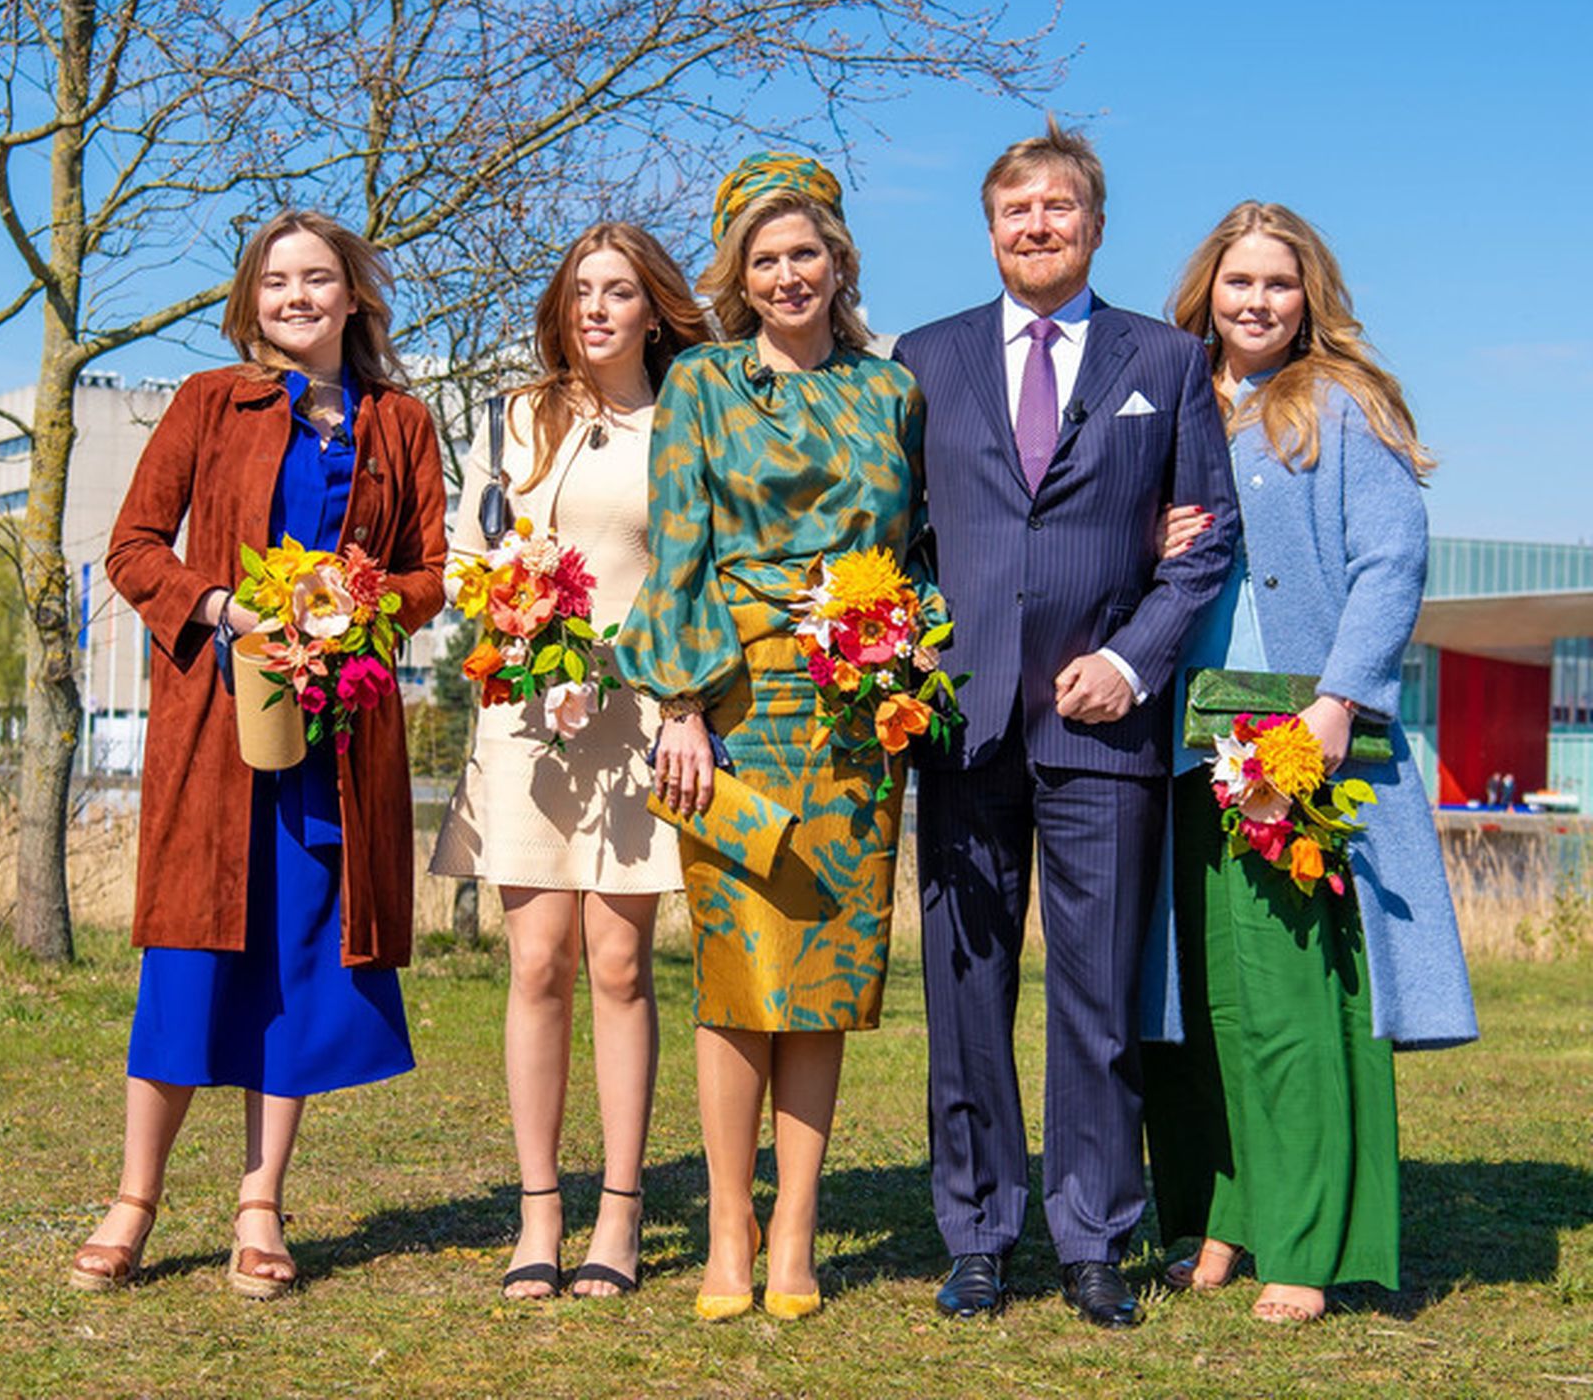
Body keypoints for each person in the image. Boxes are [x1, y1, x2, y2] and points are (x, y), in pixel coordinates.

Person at [892, 120, 1238, 1327]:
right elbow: (894, 541)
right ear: (989, 229)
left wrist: (1133, 661)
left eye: (1058, 208)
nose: (1036, 226)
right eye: (1014, 211)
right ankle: (978, 1229)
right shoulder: (920, 359)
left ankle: (1093, 1234)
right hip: (962, 724)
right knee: (965, 993)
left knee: (1096, 999)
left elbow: (1206, 542)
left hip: (1104, 729)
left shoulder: (1167, 360)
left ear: (1094, 225)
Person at [77, 211, 447, 1297]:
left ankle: (258, 1205)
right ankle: (133, 1199)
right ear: (253, 299)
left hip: (337, 737)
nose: (297, 296)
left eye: (317, 278)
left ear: (352, 295)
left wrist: (364, 604)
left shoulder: (401, 422)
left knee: (293, 961)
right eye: (277, 280)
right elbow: (133, 547)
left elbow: (429, 570)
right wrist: (230, 607)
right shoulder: (206, 403)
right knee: (187, 958)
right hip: (215, 730)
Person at [1140, 201, 1478, 1323]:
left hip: (1294, 740)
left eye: (1278, 283)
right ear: (1206, 291)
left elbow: (1392, 561)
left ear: (1308, 296)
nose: (1256, 301)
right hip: (1186, 742)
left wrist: (1341, 701)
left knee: (1292, 999)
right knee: (1207, 1007)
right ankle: (1230, 1207)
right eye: (1237, 281)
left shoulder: (1338, 405)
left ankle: (1309, 1235)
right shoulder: (1174, 401)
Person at [616, 152, 932, 1322]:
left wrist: (903, 654)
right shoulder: (698, 382)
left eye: (807, 252)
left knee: (826, 977)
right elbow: (678, 547)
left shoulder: (889, 392)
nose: (789, 273)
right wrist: (684, 705)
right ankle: (729, 1231)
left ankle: (797, 1227)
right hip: (736, 710)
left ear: (840, 259)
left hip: (854, 715)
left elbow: (921, 548)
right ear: (737, 275)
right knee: (738, 972)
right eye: (765, 258)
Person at [429, 222, 709, 1299]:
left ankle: (620, 1213)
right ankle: (538, 1208)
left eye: (620, 291)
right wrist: (518, 620)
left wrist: (639, 674)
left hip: (635, 718)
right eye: (582, 289)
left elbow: (693, 579)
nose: (597, 307)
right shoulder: (517, 417)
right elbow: (467, 563)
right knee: (537, 962)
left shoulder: (687, 422)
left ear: (654, 310)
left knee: (619, 964)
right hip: (524, 716)